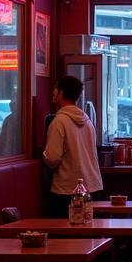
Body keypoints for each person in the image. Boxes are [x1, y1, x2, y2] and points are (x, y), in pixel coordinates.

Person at [43, 75, 102, 216]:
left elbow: (52, 158)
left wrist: (43, 154)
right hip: (93, 186)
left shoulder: (59, 121)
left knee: (67, 235)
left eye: (56, 89)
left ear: (61, 93)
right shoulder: (87, 120)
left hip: (67, 190)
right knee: (89, 234)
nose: (53, 92)